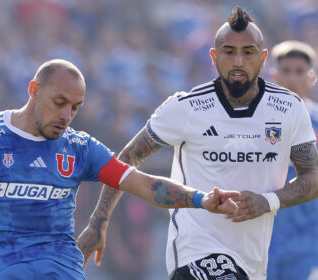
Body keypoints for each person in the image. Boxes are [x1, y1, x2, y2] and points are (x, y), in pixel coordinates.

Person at [0, 59, 240, 280]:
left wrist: (202, 199)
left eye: (75, 107)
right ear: (34, 90)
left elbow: (144, 184)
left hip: (63, 270)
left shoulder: (79, 147)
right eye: (59, 102)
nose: (66, 115)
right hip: (2, 270)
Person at [77, 7, 318, 280]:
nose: (238, 61)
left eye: (248, 52)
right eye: (229, 51)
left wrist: (269, 201)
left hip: (256, 260)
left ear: (262, 58)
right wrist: (99, 220)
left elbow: (312, 177)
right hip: (197, 253)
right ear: (214, 57)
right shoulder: (187, 106)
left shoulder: (289, 109)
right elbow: (127, 159)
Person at [268, 40, 318, 279]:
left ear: (311, 77)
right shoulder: (256, 121)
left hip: (308, 241)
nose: (292, 78)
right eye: (286, 71)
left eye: (299, 72)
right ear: (274, 75)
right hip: (263, 235)